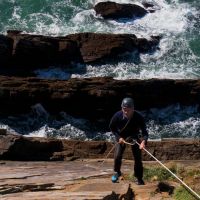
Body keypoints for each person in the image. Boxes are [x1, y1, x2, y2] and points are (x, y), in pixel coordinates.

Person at [109, 97, 148, 185]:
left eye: (128, 110)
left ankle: (139, 178)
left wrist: (143, 141)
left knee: (137, 158)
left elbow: (145, 131)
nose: (125, 112)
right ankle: (117, 172)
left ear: (133, 109)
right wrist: (118, 137)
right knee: (117, 155)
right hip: (121, 136)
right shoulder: (117, 116)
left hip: (134, 136)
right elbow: (112, 128)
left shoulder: (139, 117)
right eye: (124, 109)